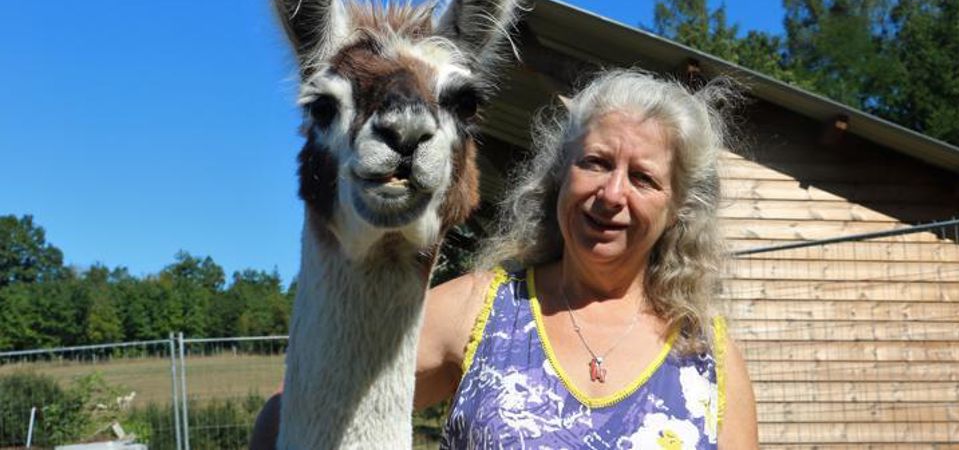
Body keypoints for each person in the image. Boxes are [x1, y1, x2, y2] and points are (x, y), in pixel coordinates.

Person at [252, 69, 758, 449]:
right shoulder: (482, 310)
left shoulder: (707, 357)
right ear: (560, 176)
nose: (611, 194)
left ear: (676, 211)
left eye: (643, 178)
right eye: (596, 163)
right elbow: (306, 401)